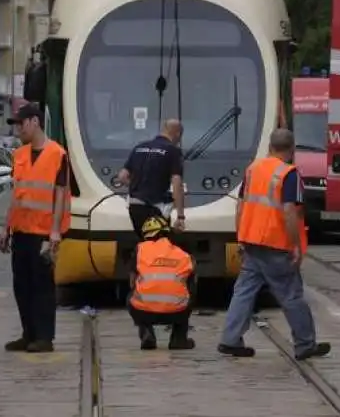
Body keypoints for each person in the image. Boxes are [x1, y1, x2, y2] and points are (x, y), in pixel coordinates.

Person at [218, 128, 328, 360]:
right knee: (291, 294)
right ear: (291, 149)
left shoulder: (253, 169)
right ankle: (305, 343)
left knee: (244, 292)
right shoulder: (289, 174)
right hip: (276, 244)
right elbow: (289, 212)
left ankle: (230, 339)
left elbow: (241, 205)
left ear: (270, 146)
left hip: (252, 241)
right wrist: (296, 245)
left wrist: (240, 236)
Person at [0, 103, 71, 353]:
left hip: (43, 231)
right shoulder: (19, 155)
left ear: (35, 122)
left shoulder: (57, 154)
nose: (18, 129)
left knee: (42, 286)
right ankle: (28, 334)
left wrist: (54, 232)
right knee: (22, 285)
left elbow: (60, 194)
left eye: (21, 124)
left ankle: (44, 337)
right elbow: (17, 194)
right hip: (21, 230)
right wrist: (6, 228)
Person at [128, 215, 196, 350]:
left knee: (130, 296)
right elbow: (191, 284)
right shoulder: (183, 254)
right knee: (190, 291)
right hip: (177, 311)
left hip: (144, 310)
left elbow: (131, 282)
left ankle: (146, 330)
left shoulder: (140, 249)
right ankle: (179, 338)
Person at [117, 119, 186, 235]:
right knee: (158, 246)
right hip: (155, 207)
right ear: (178, 134)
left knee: (144, 243)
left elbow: (122, 177)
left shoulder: (139, 147)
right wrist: (180, 216)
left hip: (135, 206)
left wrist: (138, 185)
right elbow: (177, 184)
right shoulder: (173, 151)